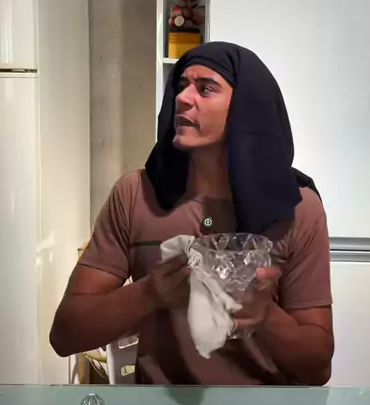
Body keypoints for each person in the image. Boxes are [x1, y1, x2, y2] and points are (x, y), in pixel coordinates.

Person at [50, 42, 334, 385]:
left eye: (205, 88)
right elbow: (65, 335)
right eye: (182, 85)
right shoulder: (135, 194)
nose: (183, 98)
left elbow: (318, 368)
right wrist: (149, 294)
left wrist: (266, 316)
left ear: (246, 110)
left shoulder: (298, 209)